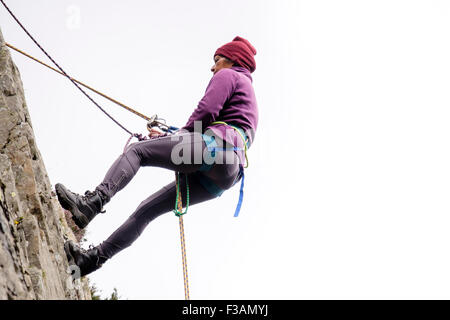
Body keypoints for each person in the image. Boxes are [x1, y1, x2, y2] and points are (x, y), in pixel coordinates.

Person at [56, 36, 259, 278]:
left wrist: (179, 136)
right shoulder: (250, 96)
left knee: (138, 151)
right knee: (147, 210)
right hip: (226, 174)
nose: (212, 67)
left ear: (232, 60)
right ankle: (89, 261)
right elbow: (221, 125)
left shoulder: (228, 75)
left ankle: (92, 203)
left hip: (215, 147)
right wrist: (170, 136)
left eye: (217, 60)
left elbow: (207, 111)